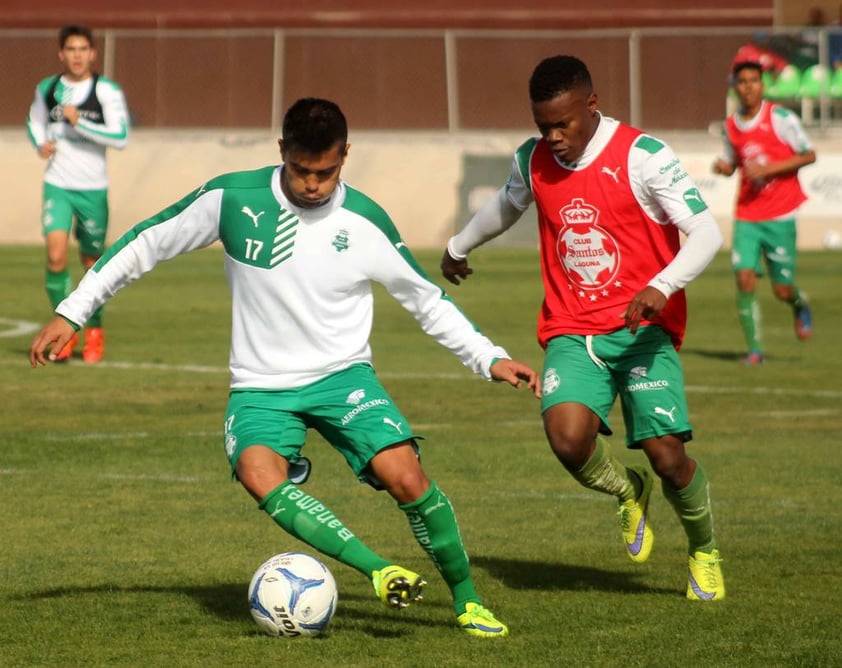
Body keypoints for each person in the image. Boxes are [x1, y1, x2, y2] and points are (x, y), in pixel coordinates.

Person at [30, 98, 540, 637]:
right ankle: (379, 570)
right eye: (301, 170)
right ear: (282, 152)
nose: (313, 184)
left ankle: (467, 601)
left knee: (405, 476)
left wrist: (489, 357)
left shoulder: (365, 221)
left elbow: (426, 299)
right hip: (261, 386)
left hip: (344, 378)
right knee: (257, 472)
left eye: (326, 171)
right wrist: (73, 311)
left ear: (345, 156)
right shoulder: (233, 198)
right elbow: (144, 243)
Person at [440, 55, 726, 601]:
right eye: (543, 126)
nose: (554, 137)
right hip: (573, 327)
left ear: (591, 105)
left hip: (643, 329)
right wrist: (459, 245)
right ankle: (626, 490)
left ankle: (704, 549)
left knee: (668, 456)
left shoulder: (643, 156)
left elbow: (706, 233)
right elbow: (508, 203)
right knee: (568, 439)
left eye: (563, 124)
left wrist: (661, 286)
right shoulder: (534, 159)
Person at [26, 24, 130, 363]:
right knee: (56, 256)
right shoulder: (49, 87)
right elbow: (35, 121)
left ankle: (94, 330)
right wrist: (41, 143)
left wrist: (79, 123)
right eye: (71, 49)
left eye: (83, 49)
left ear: (93, 53)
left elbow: (120, 137)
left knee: (91, 263)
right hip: (58, 183)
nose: (77, 55)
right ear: (61, 53)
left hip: (93, 189)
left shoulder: (105, 91)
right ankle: (64, 332)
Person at [713, 60, 816, 366]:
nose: (748, 87)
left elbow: (809, 154)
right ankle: (754, 350)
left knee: (781, 289)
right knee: (744, 277)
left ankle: (798, 303)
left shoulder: (781, 118)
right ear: (735, 86)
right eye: (742, 81)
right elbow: (732, 163)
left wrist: (769, 168)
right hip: (747, 214)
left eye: (753, 81)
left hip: (780, 214)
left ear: (762, 85)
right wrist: (723, 167)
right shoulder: (731, 126)